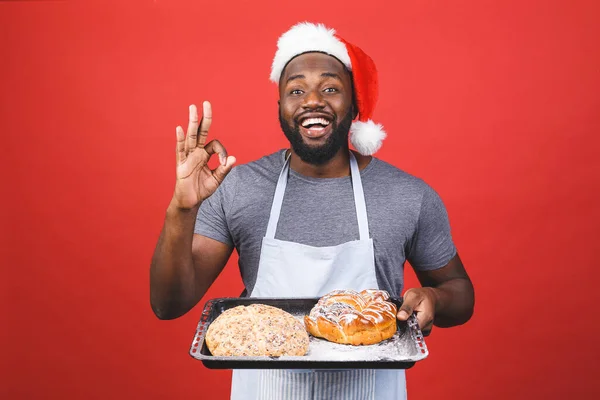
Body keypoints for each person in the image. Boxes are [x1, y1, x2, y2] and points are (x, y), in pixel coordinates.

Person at [150, 22, 475, 400]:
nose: (312, 100)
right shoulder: (240, 187)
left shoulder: (407, 194)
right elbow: (168, 303)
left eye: (331, 88)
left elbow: (461, 294)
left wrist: (435, 300)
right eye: (296, 90)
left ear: (354, 105)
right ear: (281, 107)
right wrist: (181, 209)